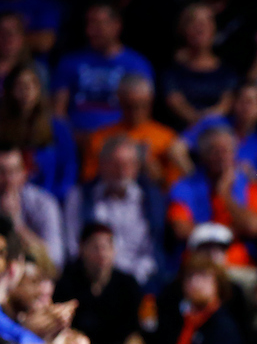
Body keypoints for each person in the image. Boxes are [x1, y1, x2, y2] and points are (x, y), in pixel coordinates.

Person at [63, 137, 167, 288]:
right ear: (102, 165)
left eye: (129, 164)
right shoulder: (80, 197)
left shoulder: (152, 199)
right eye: (115, 164)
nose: (122, 171)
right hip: (91, 282)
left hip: (140, 282)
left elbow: (153, 250)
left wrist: (131, 282)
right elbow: (73, 246)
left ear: (137, 166)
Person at [52, 222, 142, 344]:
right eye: (95, 247)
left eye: (107, 247)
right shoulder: (66, 284)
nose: (102, 253)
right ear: (82, 249)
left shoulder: (128, 285)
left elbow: (137, 335)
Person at [167, 125, 257, 269]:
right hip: (197, 265)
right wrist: (228, 231)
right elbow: (181, 229)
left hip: (239, 268)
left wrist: (225, 195)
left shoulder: (251, 185)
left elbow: (254, 227)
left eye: (227, 150)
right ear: (203, 156)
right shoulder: (184, 186)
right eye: (215, 151)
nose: (222, 157)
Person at [51, 2, 154, 135]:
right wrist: (70, 137)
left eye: (98, 24)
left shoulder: (136, 64)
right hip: (76, 138)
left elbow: (143, 116)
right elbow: (58, 112)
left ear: (116, 25)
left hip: (122, 139)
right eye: (89, 24)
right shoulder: (69, 62)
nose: (90, 31)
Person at [79, 74, 192, 189]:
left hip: (153, 195)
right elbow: (89, 180)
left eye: (142, 105)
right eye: (129, 106)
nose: (136, 112)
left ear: (151, 101)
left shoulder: (167, 138)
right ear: (120, 102)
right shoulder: (101, 138)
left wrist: (154, 170)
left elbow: (175, 186)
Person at [0, 63, 77, 203]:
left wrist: (49, 199)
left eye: (32, 84)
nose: (27, 90)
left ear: (40, 88)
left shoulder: (57, 127)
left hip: (49, 198)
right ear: (10, 89)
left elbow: (69, 170)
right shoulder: (2, 126)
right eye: (20, 85)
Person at [162, 3, 239, 130]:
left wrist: (209, 121)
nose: (200, 27)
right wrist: (199, 122)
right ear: (183, 29)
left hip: (219, 131)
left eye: (206, 22)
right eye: (194, 22)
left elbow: (226, 104)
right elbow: (175, 102)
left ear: (214, 28)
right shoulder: (172, 72)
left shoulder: (227, 72)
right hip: (182, 133)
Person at [0, 146, 63, 270]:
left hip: (34, 276)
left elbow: (55, 260)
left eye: (13, 172)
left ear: (23, 173)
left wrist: (16, 223)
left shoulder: (44, 204)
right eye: (1, 172)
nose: (8, 180)